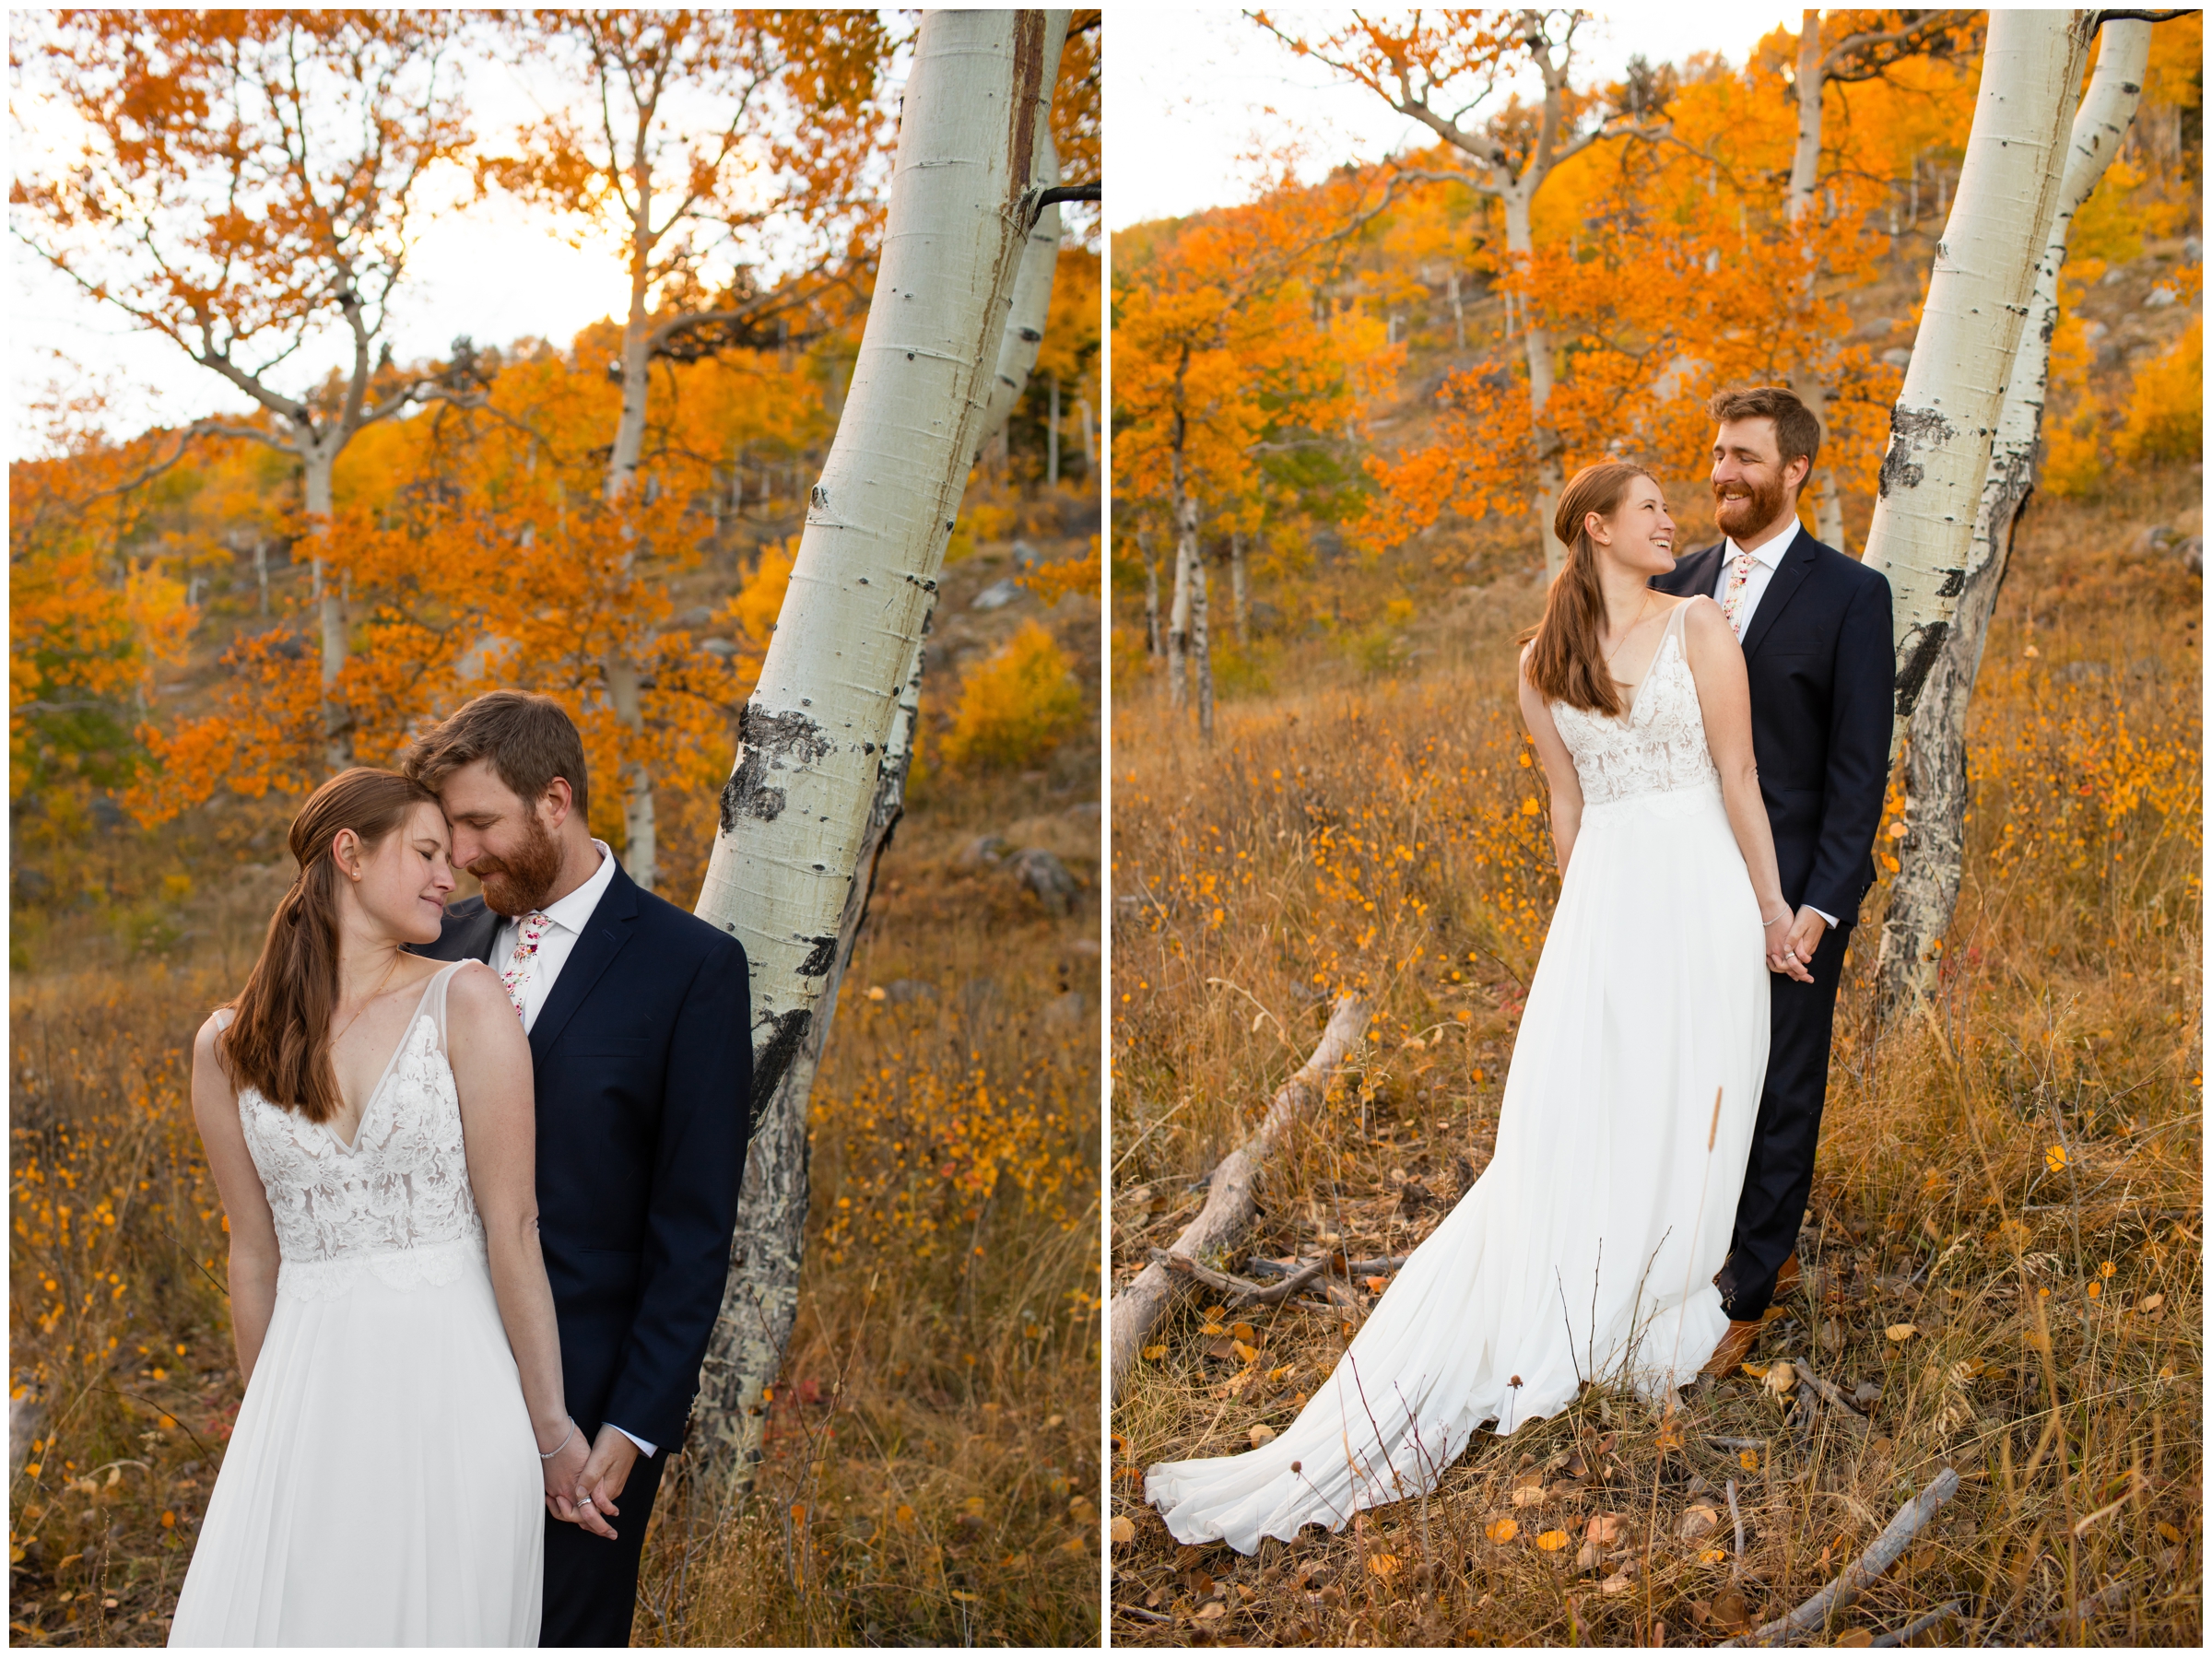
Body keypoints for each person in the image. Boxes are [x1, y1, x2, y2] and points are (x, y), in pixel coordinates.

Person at [1147, 461, 1801, 1553]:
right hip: (1618, 905)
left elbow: (1728, 779)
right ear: (1598, 528)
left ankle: (1653, 1286)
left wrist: (1769, 910)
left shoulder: (1699, 628)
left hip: (1697, 899)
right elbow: (1579, 803)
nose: (1669, 522)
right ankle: (1599, 1306)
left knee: (1694, 1092)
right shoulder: (1547, 663)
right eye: (1650, 510)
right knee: (1604, 1108)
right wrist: (1584, 930)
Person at [172, 769, 582, 1644]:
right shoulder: (227, 1046)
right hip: (305, 1398)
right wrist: (265, 1420)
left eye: (453, 856)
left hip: (459, 1393)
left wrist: (550, 1430)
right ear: (348, 854)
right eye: (428, 852)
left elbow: (513, 1230)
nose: (452, 875)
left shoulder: (466, 999)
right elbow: (254, 1253)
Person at [401, 690, 753, 1647]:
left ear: (555, 800)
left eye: (480, 823)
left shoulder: (693, 968)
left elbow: (694, 1231)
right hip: (424, 1382)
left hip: (589, 1406)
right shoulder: (434, 948)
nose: (463, 857)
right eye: (450, 831)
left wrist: (632, 1427)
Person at [1652, 386, 1893, 1375]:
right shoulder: (1677, 582)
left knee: (1781, 1088)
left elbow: (1858, 769)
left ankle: (1749, 1291)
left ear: (1796, 468)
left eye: (1745, 457)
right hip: (1681, 888)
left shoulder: (1850, 595)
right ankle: (1685, 1260)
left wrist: (1818, 908)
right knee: (1693, 1083)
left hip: (1792, 898)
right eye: (1716, 454)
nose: (1722, 474)